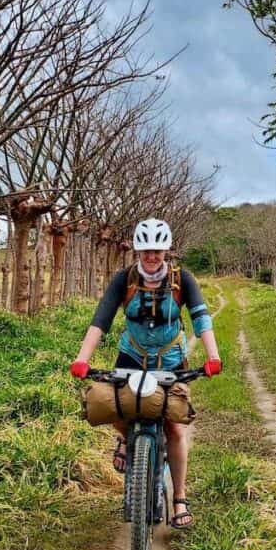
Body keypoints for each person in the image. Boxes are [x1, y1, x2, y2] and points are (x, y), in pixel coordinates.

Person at [70, 218, 221, 530]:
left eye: (157, 251)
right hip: (132, 354)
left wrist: (212, 355)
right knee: (114, 403)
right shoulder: (123, 279)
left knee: (175, 428)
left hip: (172, 358)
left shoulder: (183, 279)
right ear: (137, 251)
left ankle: (179, 498)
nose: (152, 257)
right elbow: (101, 320)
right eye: (145, 251)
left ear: (166, 250)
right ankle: (126, 439)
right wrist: (82, 359)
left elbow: (200, 317)